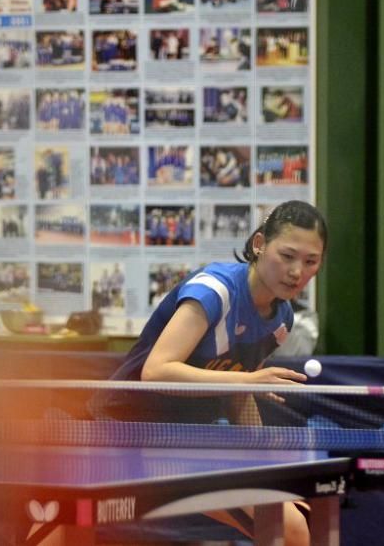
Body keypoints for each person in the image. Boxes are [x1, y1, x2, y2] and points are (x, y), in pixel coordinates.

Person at [96, 199, 327, 546]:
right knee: (63, 526)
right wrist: (248, 380)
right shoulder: (215, 292)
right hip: (125, 434)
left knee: (291, 526)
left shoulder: (281, 319)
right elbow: (156, 372)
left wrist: (264, 462)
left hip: (186, 441)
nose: (298, 272)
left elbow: (237, 395)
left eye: (311, 262)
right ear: (260, 244)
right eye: (288, 255)